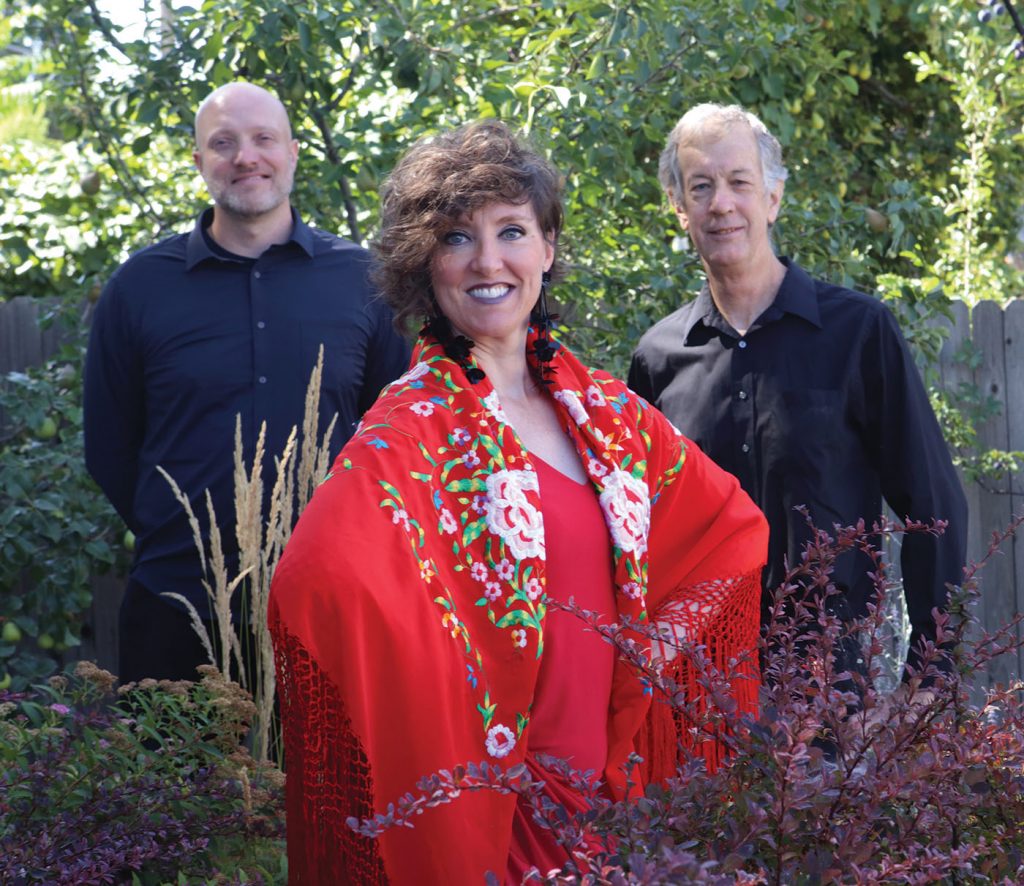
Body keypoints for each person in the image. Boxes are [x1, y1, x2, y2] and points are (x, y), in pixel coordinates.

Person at [268, 120, 768, 885]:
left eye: (512, 231)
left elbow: (732, 529)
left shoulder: (605, 411)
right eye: (457, 239)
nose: (489, 260)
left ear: (548, 249)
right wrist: (454, 696)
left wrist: (648, 661)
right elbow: (314, 582)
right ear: (424, 265)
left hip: (609, 802)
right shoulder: (410, 428)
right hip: (499, 812)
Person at [83, 81, 410, 685]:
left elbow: (395, 441)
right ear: (200, 160)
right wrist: (188, 534)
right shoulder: (140, 287)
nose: (245, 157)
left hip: (330, 597)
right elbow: (108, 446)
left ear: (292, 150)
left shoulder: (364, 281)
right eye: (223, 143)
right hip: (178, 603)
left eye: (263, 139)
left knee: (324, 781)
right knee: (169, 781)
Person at [628, 103, 968, 683]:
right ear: (679, 208)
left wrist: (926, 685)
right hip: (700, 694)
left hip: (835, 698)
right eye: (701, 186)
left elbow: (933, 506)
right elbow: (637, 537)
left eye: (739, 182)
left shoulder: (858, 332)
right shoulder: (658, 359)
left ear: (772, 199)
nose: (721, 203)